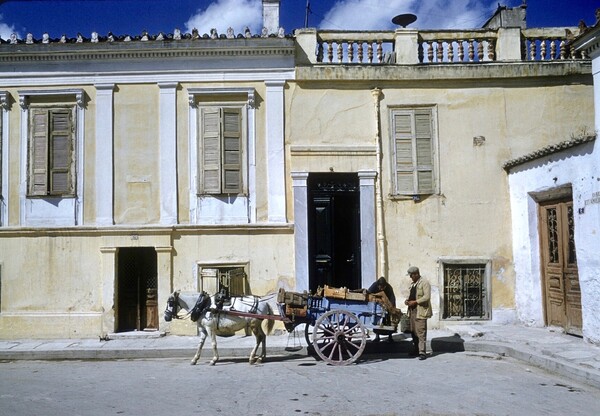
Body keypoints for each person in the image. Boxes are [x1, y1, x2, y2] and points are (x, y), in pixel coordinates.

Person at [404, 266, 432, 360]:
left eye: (411, 275)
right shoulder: (413, 284)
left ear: (416, 274)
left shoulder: (424, 283)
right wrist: (408, 301)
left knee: (420, 332)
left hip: (420, 311)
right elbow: (412, 295)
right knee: (413, 332)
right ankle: (416, 349)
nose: (410, 277)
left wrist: (415, 302)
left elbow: (426, 297)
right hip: (412, 311)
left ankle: (422, 352)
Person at [367, 276, 396, 342]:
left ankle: (390, 336)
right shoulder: (374, 285)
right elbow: (369, 293)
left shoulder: (389, 287)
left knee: (388, 321)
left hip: (387, 305)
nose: (380, 289)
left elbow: (392, 298)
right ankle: (377, 336)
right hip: (377, 306)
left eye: (382, 287)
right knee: (377, 321)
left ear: (385, 286)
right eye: (379, 287)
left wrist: (392, 308)